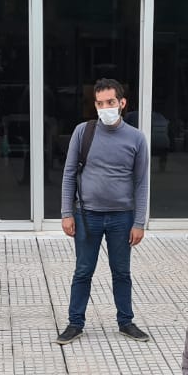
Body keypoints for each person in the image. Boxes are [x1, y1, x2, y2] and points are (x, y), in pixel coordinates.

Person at [56, 78, 151, 345]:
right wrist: (66, 212)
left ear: (122, 103)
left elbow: (142, 182)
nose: (105, 107)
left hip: (122, 217)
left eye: (110, 102)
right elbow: (69, 173)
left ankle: (126, 321)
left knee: (121, 271)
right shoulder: (82, 132)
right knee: (83, 271)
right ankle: (75, 323)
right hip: (87, 215)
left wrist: (139, 222)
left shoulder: (136, 138)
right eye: (100, 103)